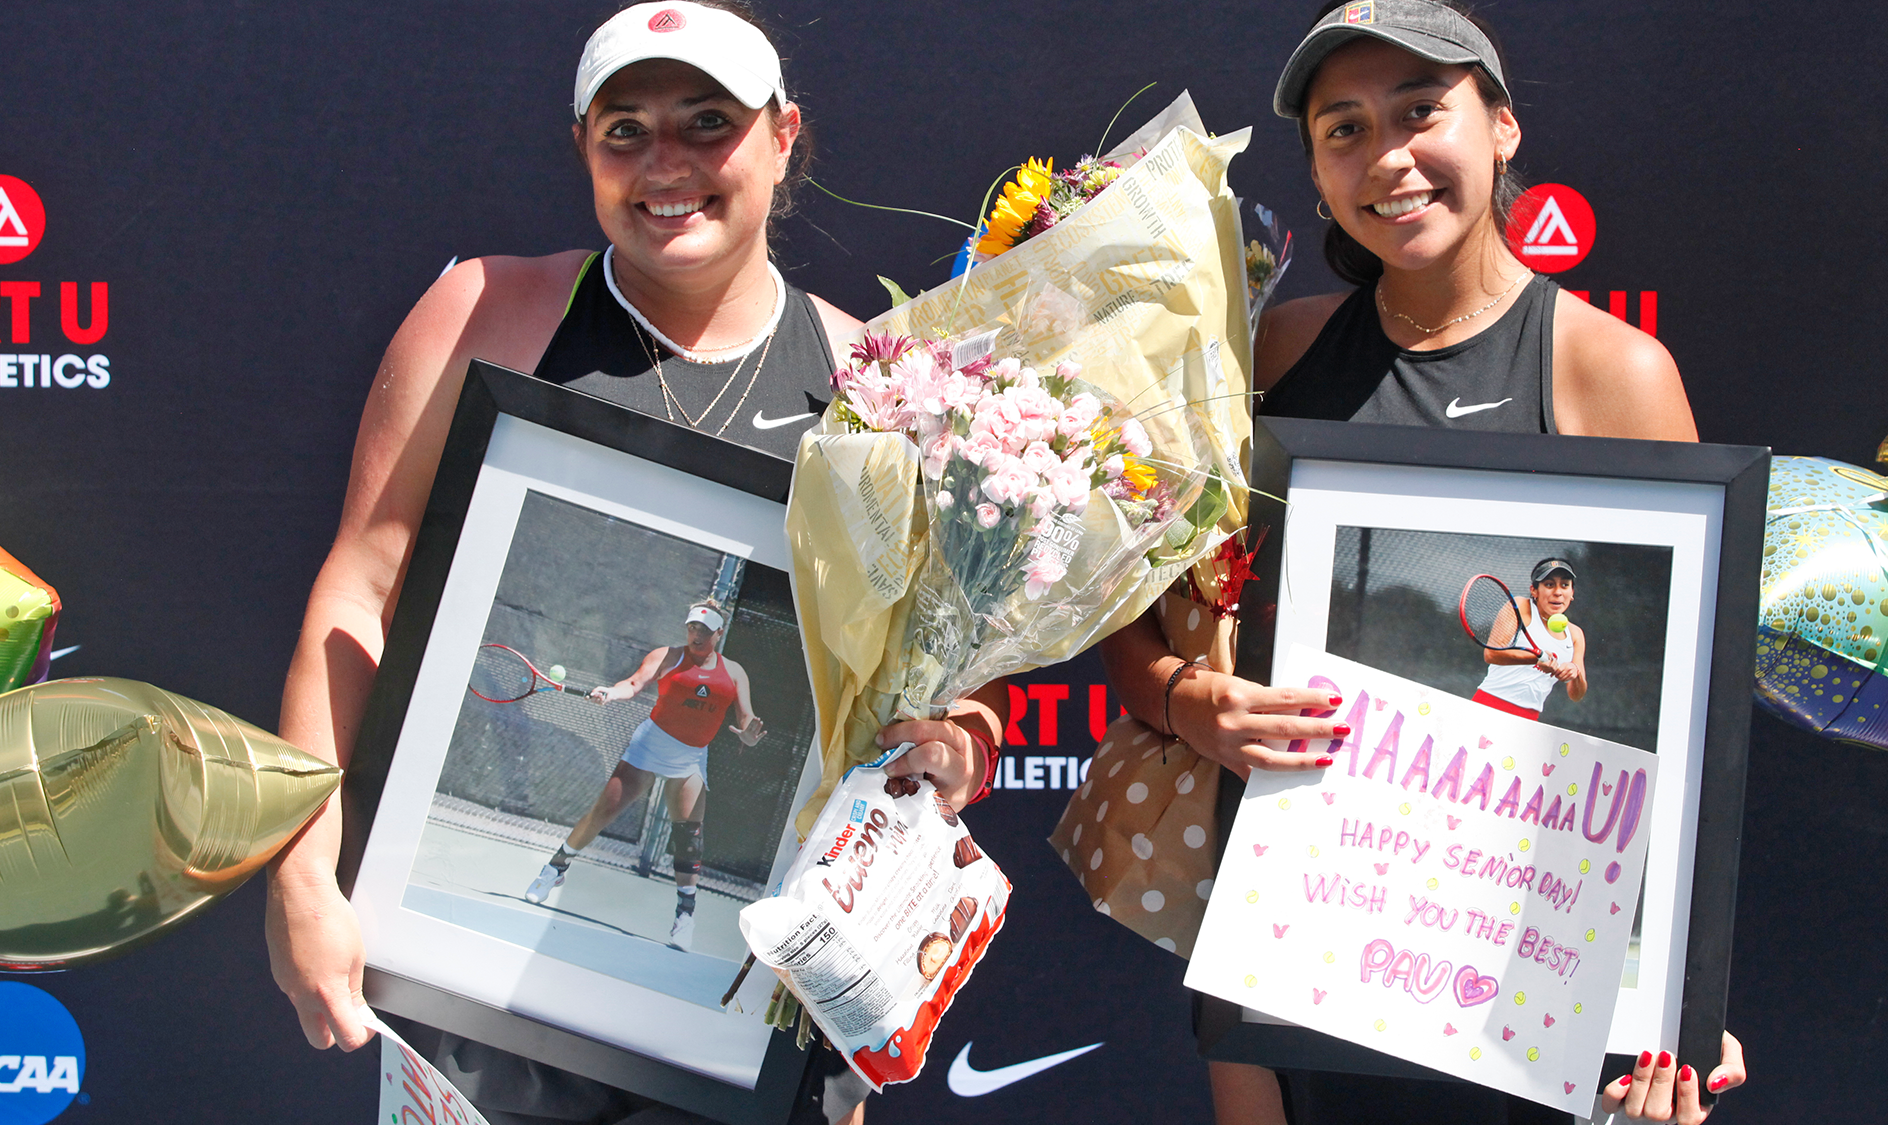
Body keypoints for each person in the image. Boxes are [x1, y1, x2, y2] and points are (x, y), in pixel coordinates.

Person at [264, 5, 1002, 1124]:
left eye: (707, 123)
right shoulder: (486, 313)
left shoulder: (876, 383)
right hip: (470, 1006)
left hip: (739, 1030)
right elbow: (360, 593)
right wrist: (301, 870)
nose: (666, 165)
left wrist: (959, 743)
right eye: (626, 130)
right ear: (584, 150)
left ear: (781, 134)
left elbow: (937, 683)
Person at [1097, 2, 1743, 1122]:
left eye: (1417, 111)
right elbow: (1124, 615)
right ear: (1313, 174)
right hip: (1293, 957)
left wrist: (1671, 990)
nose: (1386, 156)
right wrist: (1185, 702)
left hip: (1531, 978)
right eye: (1341, 128)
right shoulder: (1271, 356)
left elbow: (1674, 732)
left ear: (1499, 128)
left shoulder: (1614, 373)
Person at [525, 600, 763, 955]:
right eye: (691, 627)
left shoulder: (734, 673)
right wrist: (611, 692)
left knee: (689, 838)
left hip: (691, 757)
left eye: (703, 629)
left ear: (719, 632)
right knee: (602, 812)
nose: (695, 634)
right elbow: (634, 684)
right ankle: (554, 869)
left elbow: (747, 719)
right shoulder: (667, 656)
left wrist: (748, 734)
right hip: (650, 745)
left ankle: (685, 916)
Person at [1472, 557, 1586, 722]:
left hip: (1529, 719)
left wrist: (1576, 673)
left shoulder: (1576, 634)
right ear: (1534, 591)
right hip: (1489, 705)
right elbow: (1491, 654)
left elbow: (1576, 694)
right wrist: (1536, 658)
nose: (1558, 592)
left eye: (1565, 585)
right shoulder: (1520, 607)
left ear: (1572, 593)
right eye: (1549, 584)